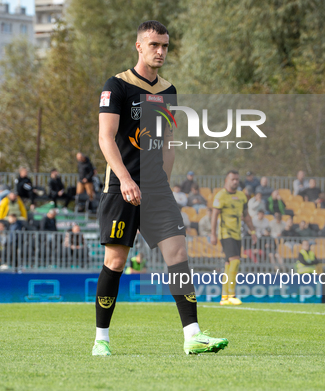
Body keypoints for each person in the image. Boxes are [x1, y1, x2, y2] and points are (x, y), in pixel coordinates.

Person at [94, 20, 227, 356]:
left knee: (178, 255)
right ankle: (101, 339)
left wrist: (162, 183)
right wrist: (126, 180)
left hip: (156, 190)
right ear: (139, 46)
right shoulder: (118, 86)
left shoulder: (167, 91)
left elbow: (167, 141)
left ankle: (192, 335)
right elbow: (105, 138)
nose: (160, 52)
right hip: (120, 188)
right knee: (116, 261)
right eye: (154, 45)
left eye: (165, 46)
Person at [210, 170, 254, 305]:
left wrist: (253, 231)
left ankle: (224, 297)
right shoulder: (221, 196)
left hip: (237, 234)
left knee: (228, 264)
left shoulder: (241, 196)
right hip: (226, 233)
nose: (235, 181)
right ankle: (231, 295)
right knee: (235, 261)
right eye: (232, 179)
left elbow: (246, 215)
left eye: (236, 179)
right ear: (226, 181)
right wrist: (213, 234)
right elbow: (215, 215)